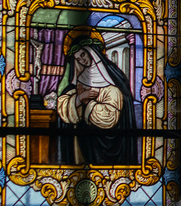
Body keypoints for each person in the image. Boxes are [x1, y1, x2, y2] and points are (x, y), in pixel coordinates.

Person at [55, 27, 138, 165]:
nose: (82, 60)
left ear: (91, 52)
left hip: (115, 141)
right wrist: (79, 99)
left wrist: (88, 103)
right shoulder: (80, 79)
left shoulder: (115, 78)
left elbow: (112, 116)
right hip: (84, 142)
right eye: (78, 59)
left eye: (83, 54)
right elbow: (65, 104)